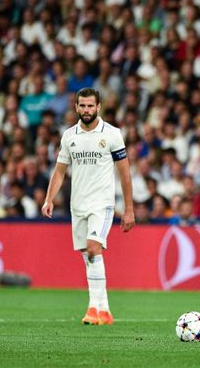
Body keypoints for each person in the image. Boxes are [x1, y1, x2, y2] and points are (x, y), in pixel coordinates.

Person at [42, 88, 135, 325]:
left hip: (102, 204)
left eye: (90, 106)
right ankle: (105, 311)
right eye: (82, 106)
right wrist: (49, 199)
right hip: (78, 205)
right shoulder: (69, 136)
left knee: (94, 249)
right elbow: (60, 171)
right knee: (89, 257)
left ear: (99, 107)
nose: (86, 110)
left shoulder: (112, 134)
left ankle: (93, 309)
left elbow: (125, 174)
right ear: (76, 107)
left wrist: (129, 208)